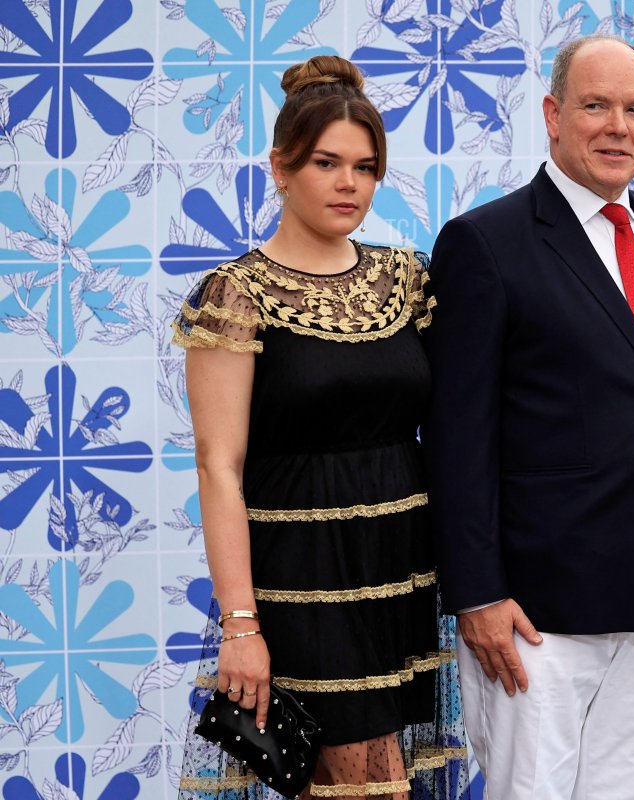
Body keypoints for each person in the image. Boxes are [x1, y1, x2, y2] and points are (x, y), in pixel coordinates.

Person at [422, 34, 634, 800]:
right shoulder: (485, 243)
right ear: (552, 115)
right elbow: (457, 437)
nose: (618, 126)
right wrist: (476, 593)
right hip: (534, 615)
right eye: (595, 106)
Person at [173, 55, 465, 800]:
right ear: (281, 167)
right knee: (372, 789)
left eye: (365, 167)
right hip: (300, 583)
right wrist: (242, 626)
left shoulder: (408, 278)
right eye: (327, 163)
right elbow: (218, 468)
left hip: (400, 574)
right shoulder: (235, 294)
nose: (349, 184)